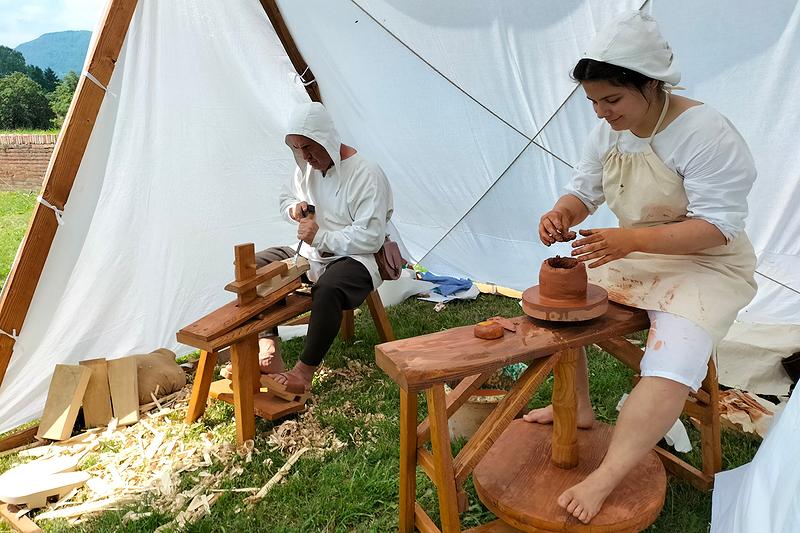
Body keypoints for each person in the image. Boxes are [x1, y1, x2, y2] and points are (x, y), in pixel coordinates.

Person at [525, 11, 757, 524]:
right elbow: (585, 188)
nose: (603, 113)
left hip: (707, 264)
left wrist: (629, 239)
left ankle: (608, 474)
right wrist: (563, 211)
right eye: (593, 102)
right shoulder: (610, 132)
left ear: (653, 85)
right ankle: (579, 409)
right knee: (564, 308)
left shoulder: (704, 131)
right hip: (638, 253)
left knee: (671, 364)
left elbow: (719, 225)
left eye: (613, 99)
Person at [222, 102, 393, 398]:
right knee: (253, 267)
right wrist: (294, 209)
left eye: (311, 148)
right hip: (310, 255)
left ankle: (304, 372)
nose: (306, 157)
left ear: (328, 139)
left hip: (358, 258)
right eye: (299, 149)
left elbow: (370, 237)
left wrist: (321, 237)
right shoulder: (307, 168)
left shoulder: (366, 173)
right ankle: (268, 347)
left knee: (328, 288)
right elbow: (286, 196)